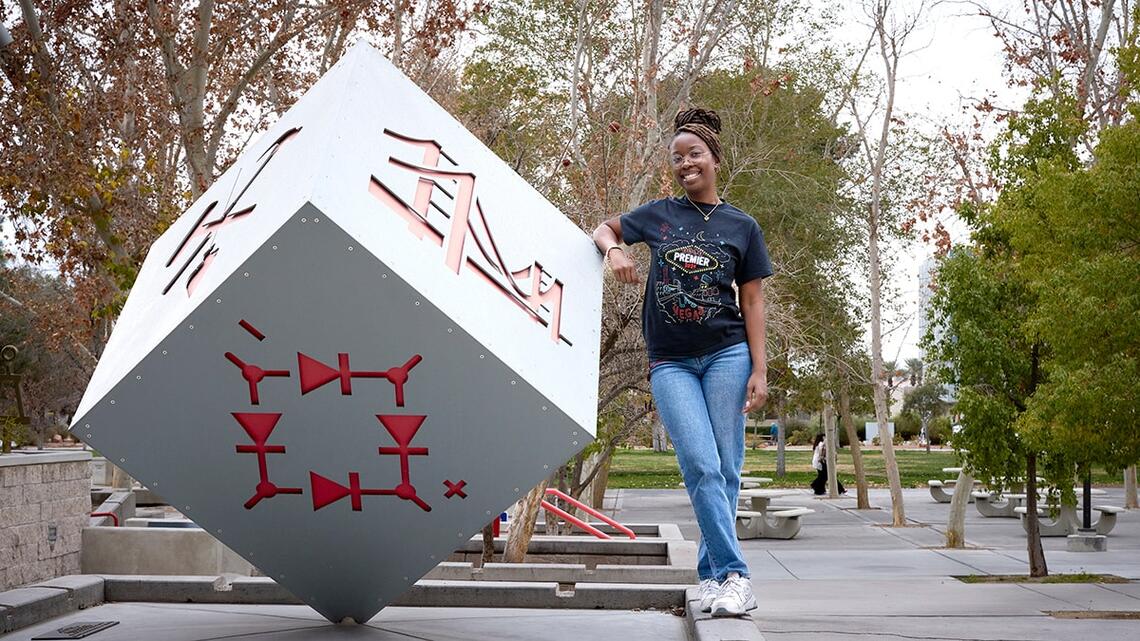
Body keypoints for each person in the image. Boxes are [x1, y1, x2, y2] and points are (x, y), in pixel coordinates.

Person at [592, 108, 773, 618]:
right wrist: (615, 253)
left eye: (694, 154)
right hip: (670, 360)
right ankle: (737, 574)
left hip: (727, 355)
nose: (685, 164)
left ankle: (716, 578)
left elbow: (754, 299)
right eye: (677, 158)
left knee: (726, 470)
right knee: (699, 463)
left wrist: (759, 369)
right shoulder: (660, 214)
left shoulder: (742, 226)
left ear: (715, 159)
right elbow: (604, 229)